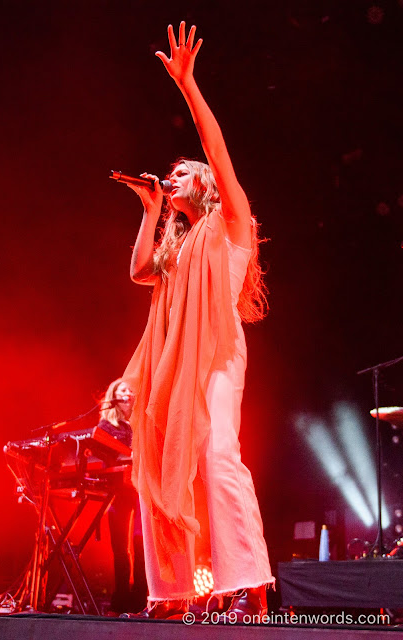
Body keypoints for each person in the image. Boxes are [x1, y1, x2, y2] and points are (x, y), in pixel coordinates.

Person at [120, 23, 275, 619]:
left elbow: (216, 149)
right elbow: (140, 272)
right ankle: (172, 593)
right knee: (156, 465)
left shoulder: (230, 223)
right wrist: (154, 210)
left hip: (216, 356)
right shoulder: (181, 249)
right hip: (173, 363)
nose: (174, 176)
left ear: (207, 185)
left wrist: (188, 85)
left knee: (215, 456)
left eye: (181, 174)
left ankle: (249, 584)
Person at [98, 379, 148, 614]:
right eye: (122, 390)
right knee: (120, 549)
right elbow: (104, 457)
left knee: (141, 544)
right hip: (118, 490)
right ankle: (120, 601)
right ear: (114, 396)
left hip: (140, 489)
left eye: (130, 390)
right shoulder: (106, 426)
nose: (128, 393)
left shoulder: (142, 423)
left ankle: (140, 599)